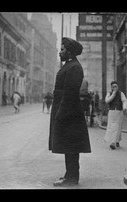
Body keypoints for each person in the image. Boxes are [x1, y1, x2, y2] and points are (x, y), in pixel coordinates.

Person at [49, 37, 91, 187]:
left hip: (69, 112)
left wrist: (61, 113)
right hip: (66, 109)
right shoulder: (70, 65)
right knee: (68, 145)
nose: (60, 52)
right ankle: (69, 175)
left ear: (69, 51)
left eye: (62, 50)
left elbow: (70, 93)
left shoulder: (74, 67)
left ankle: (72, 178)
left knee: (71, 146)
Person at [104, 81, 127, 149]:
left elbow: (124, 100)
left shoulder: (121, 93)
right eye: (113, 86)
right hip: (111, 112)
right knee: (112, 127)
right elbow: (107, 101)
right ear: (111, 87)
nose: (115, 88)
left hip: (119, 112)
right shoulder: (109, 93)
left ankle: (114, 142)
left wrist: (125, 107)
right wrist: (113, 94)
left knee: (118, 127)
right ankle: (114, 141)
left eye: (116, 86)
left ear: (118, 87)